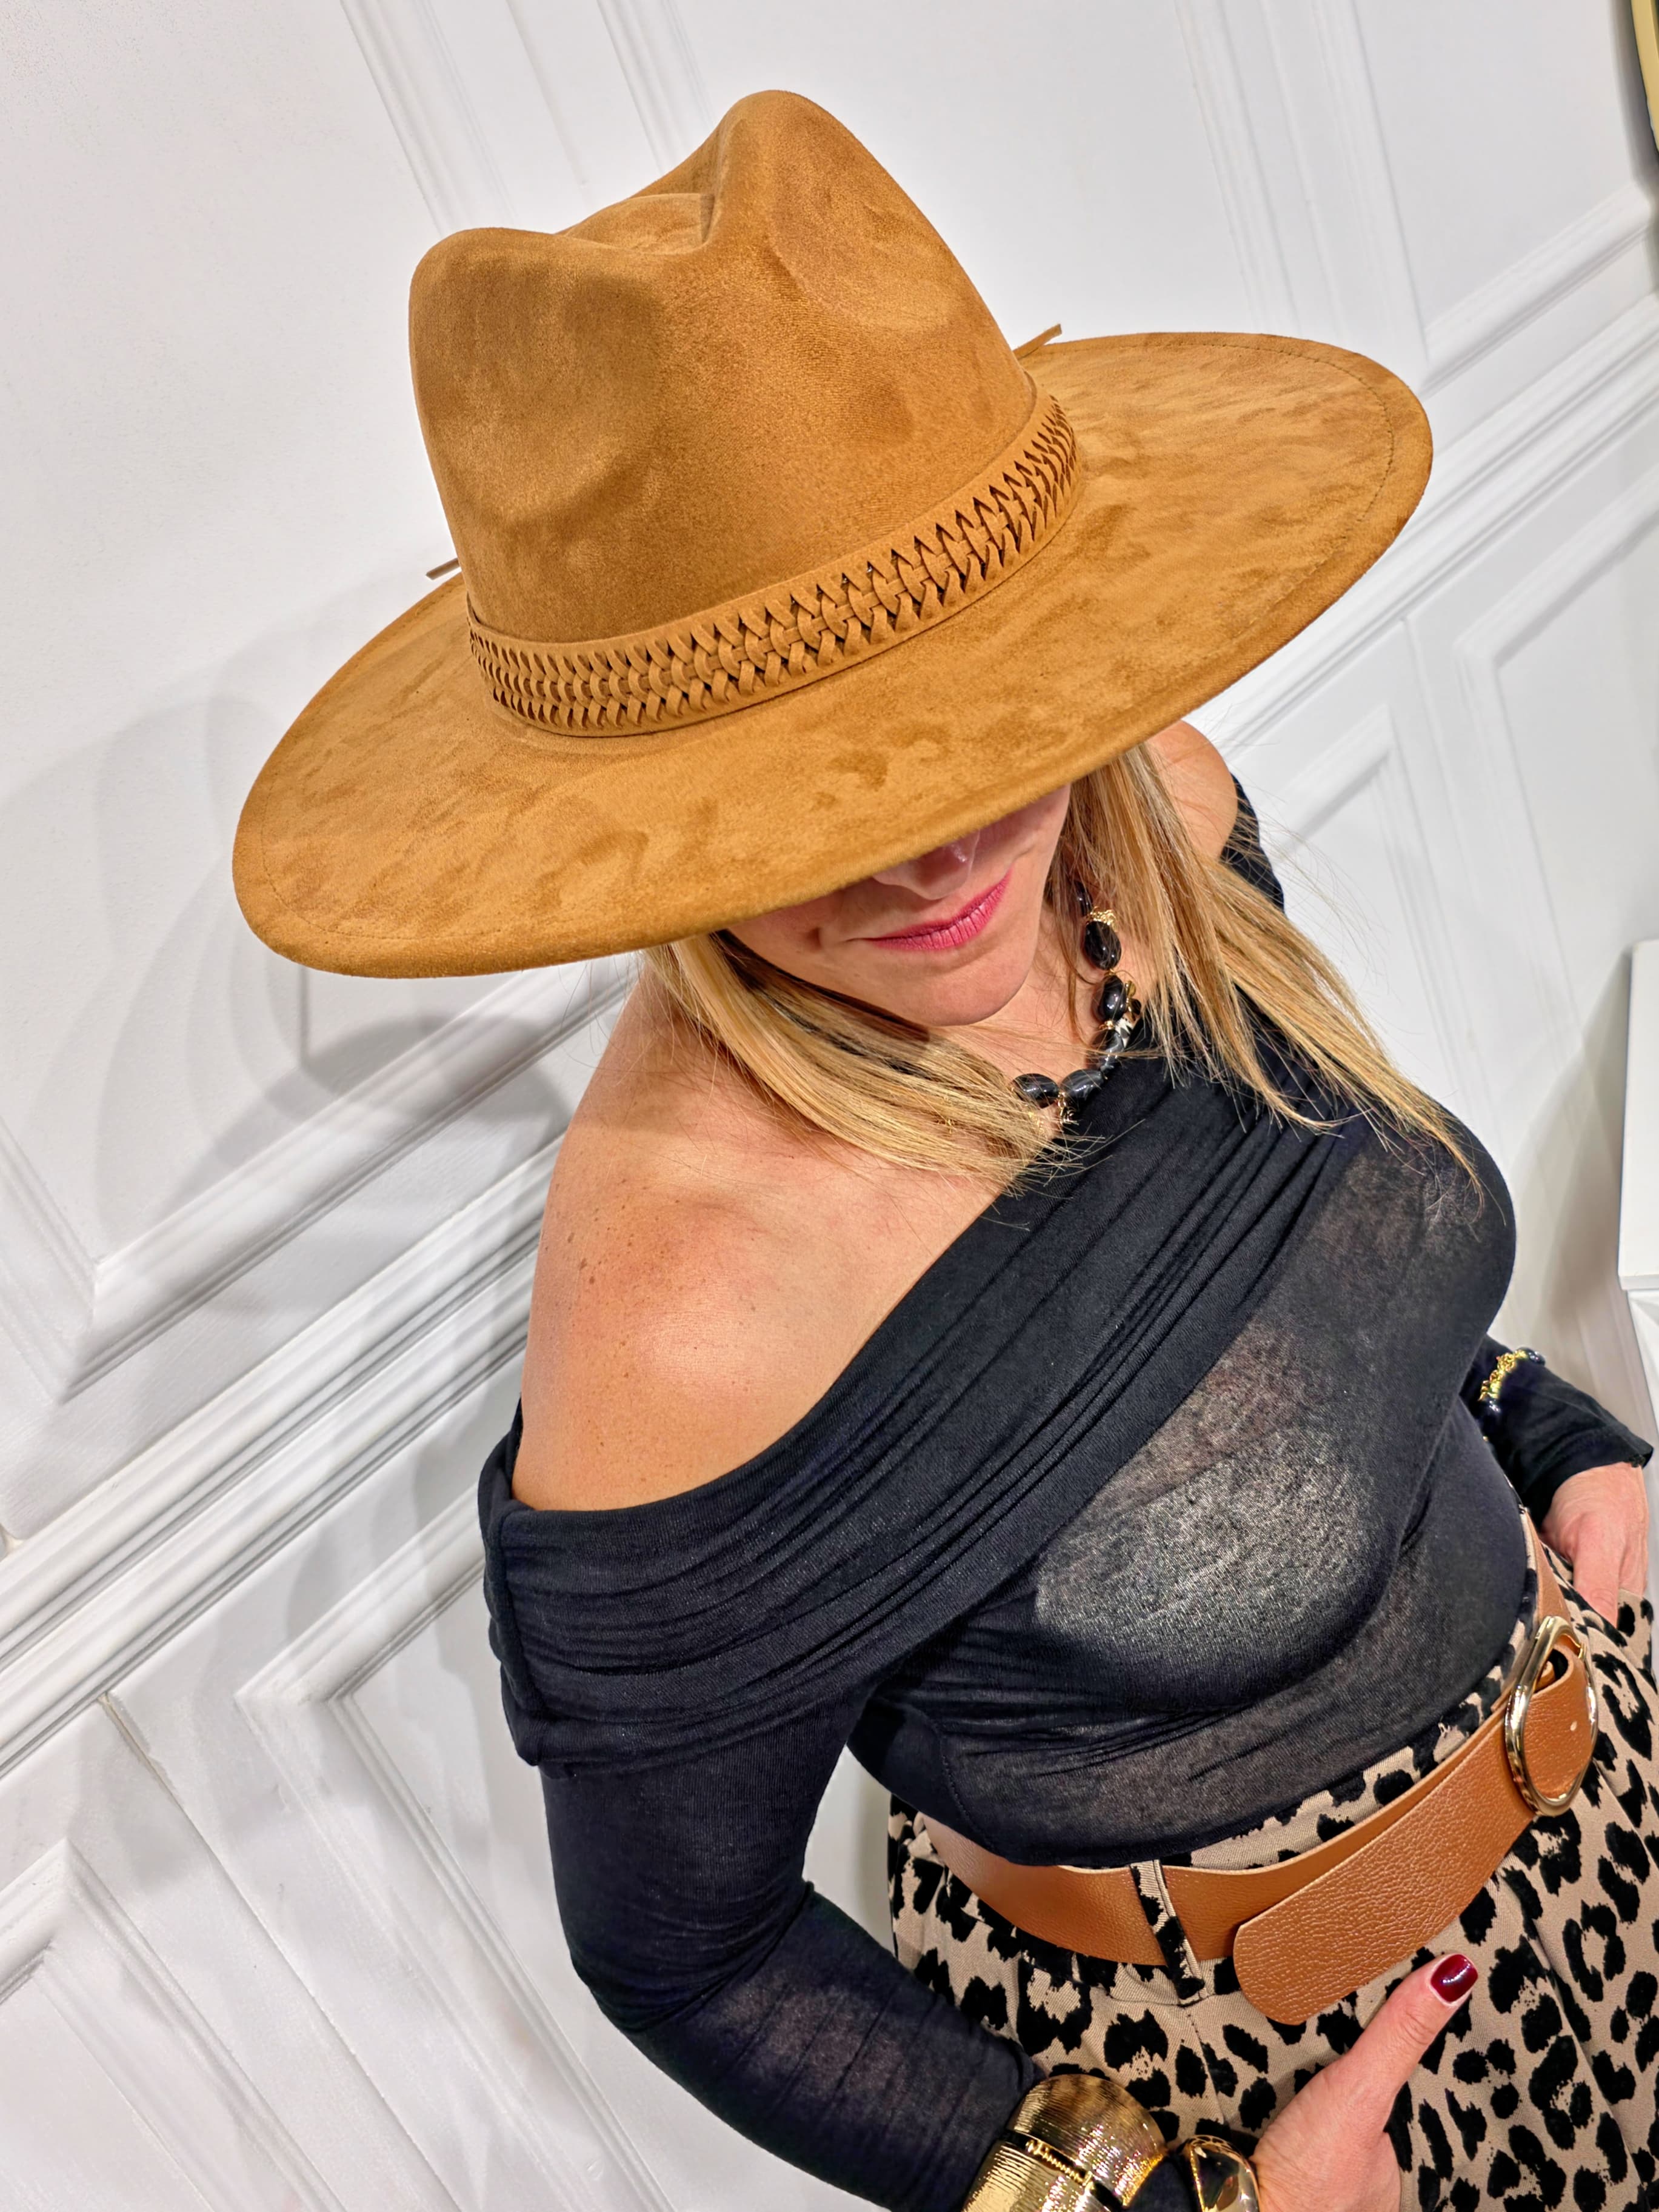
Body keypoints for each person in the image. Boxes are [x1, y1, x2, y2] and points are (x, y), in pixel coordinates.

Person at [233, 92, 1657, 2212]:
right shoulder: (684, 1298)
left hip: (1601, 1824)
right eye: (795, 792)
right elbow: (687, 1954)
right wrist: (1179, 2203)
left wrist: (1544, 1424)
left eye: (976, 714)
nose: (934, 850)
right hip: (1253, 2073)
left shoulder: (1150, 807)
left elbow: (1289, 1267)